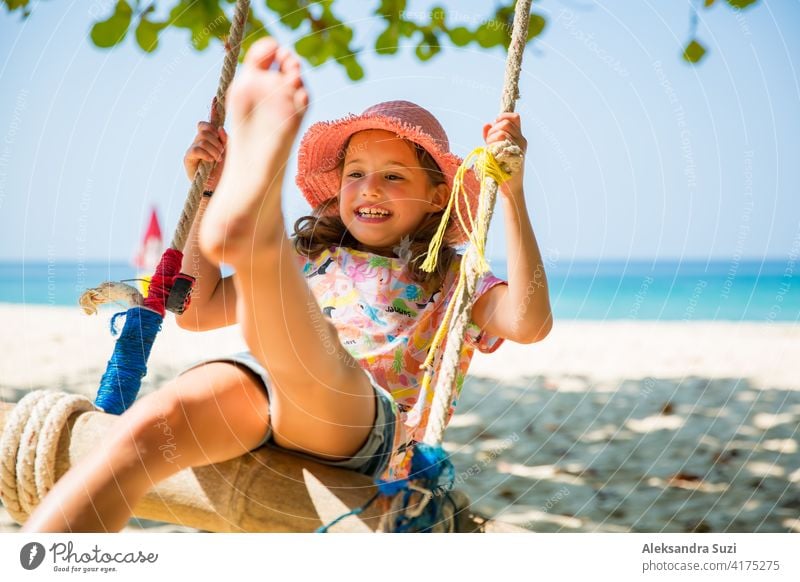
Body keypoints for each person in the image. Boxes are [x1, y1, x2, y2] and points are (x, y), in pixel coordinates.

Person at [22, 37, 552, 532]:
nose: (370, 188)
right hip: (263, 387)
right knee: (138, 438)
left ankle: (255, 232)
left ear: (438, 197)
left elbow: (529, 322)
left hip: (364, 429)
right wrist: (206, 193)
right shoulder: (315, 257)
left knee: (314, 354)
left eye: (394, 176)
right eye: (355, 173)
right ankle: (246, 226)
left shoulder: (456, 281)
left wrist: (513, 193)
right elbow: (199, 310)